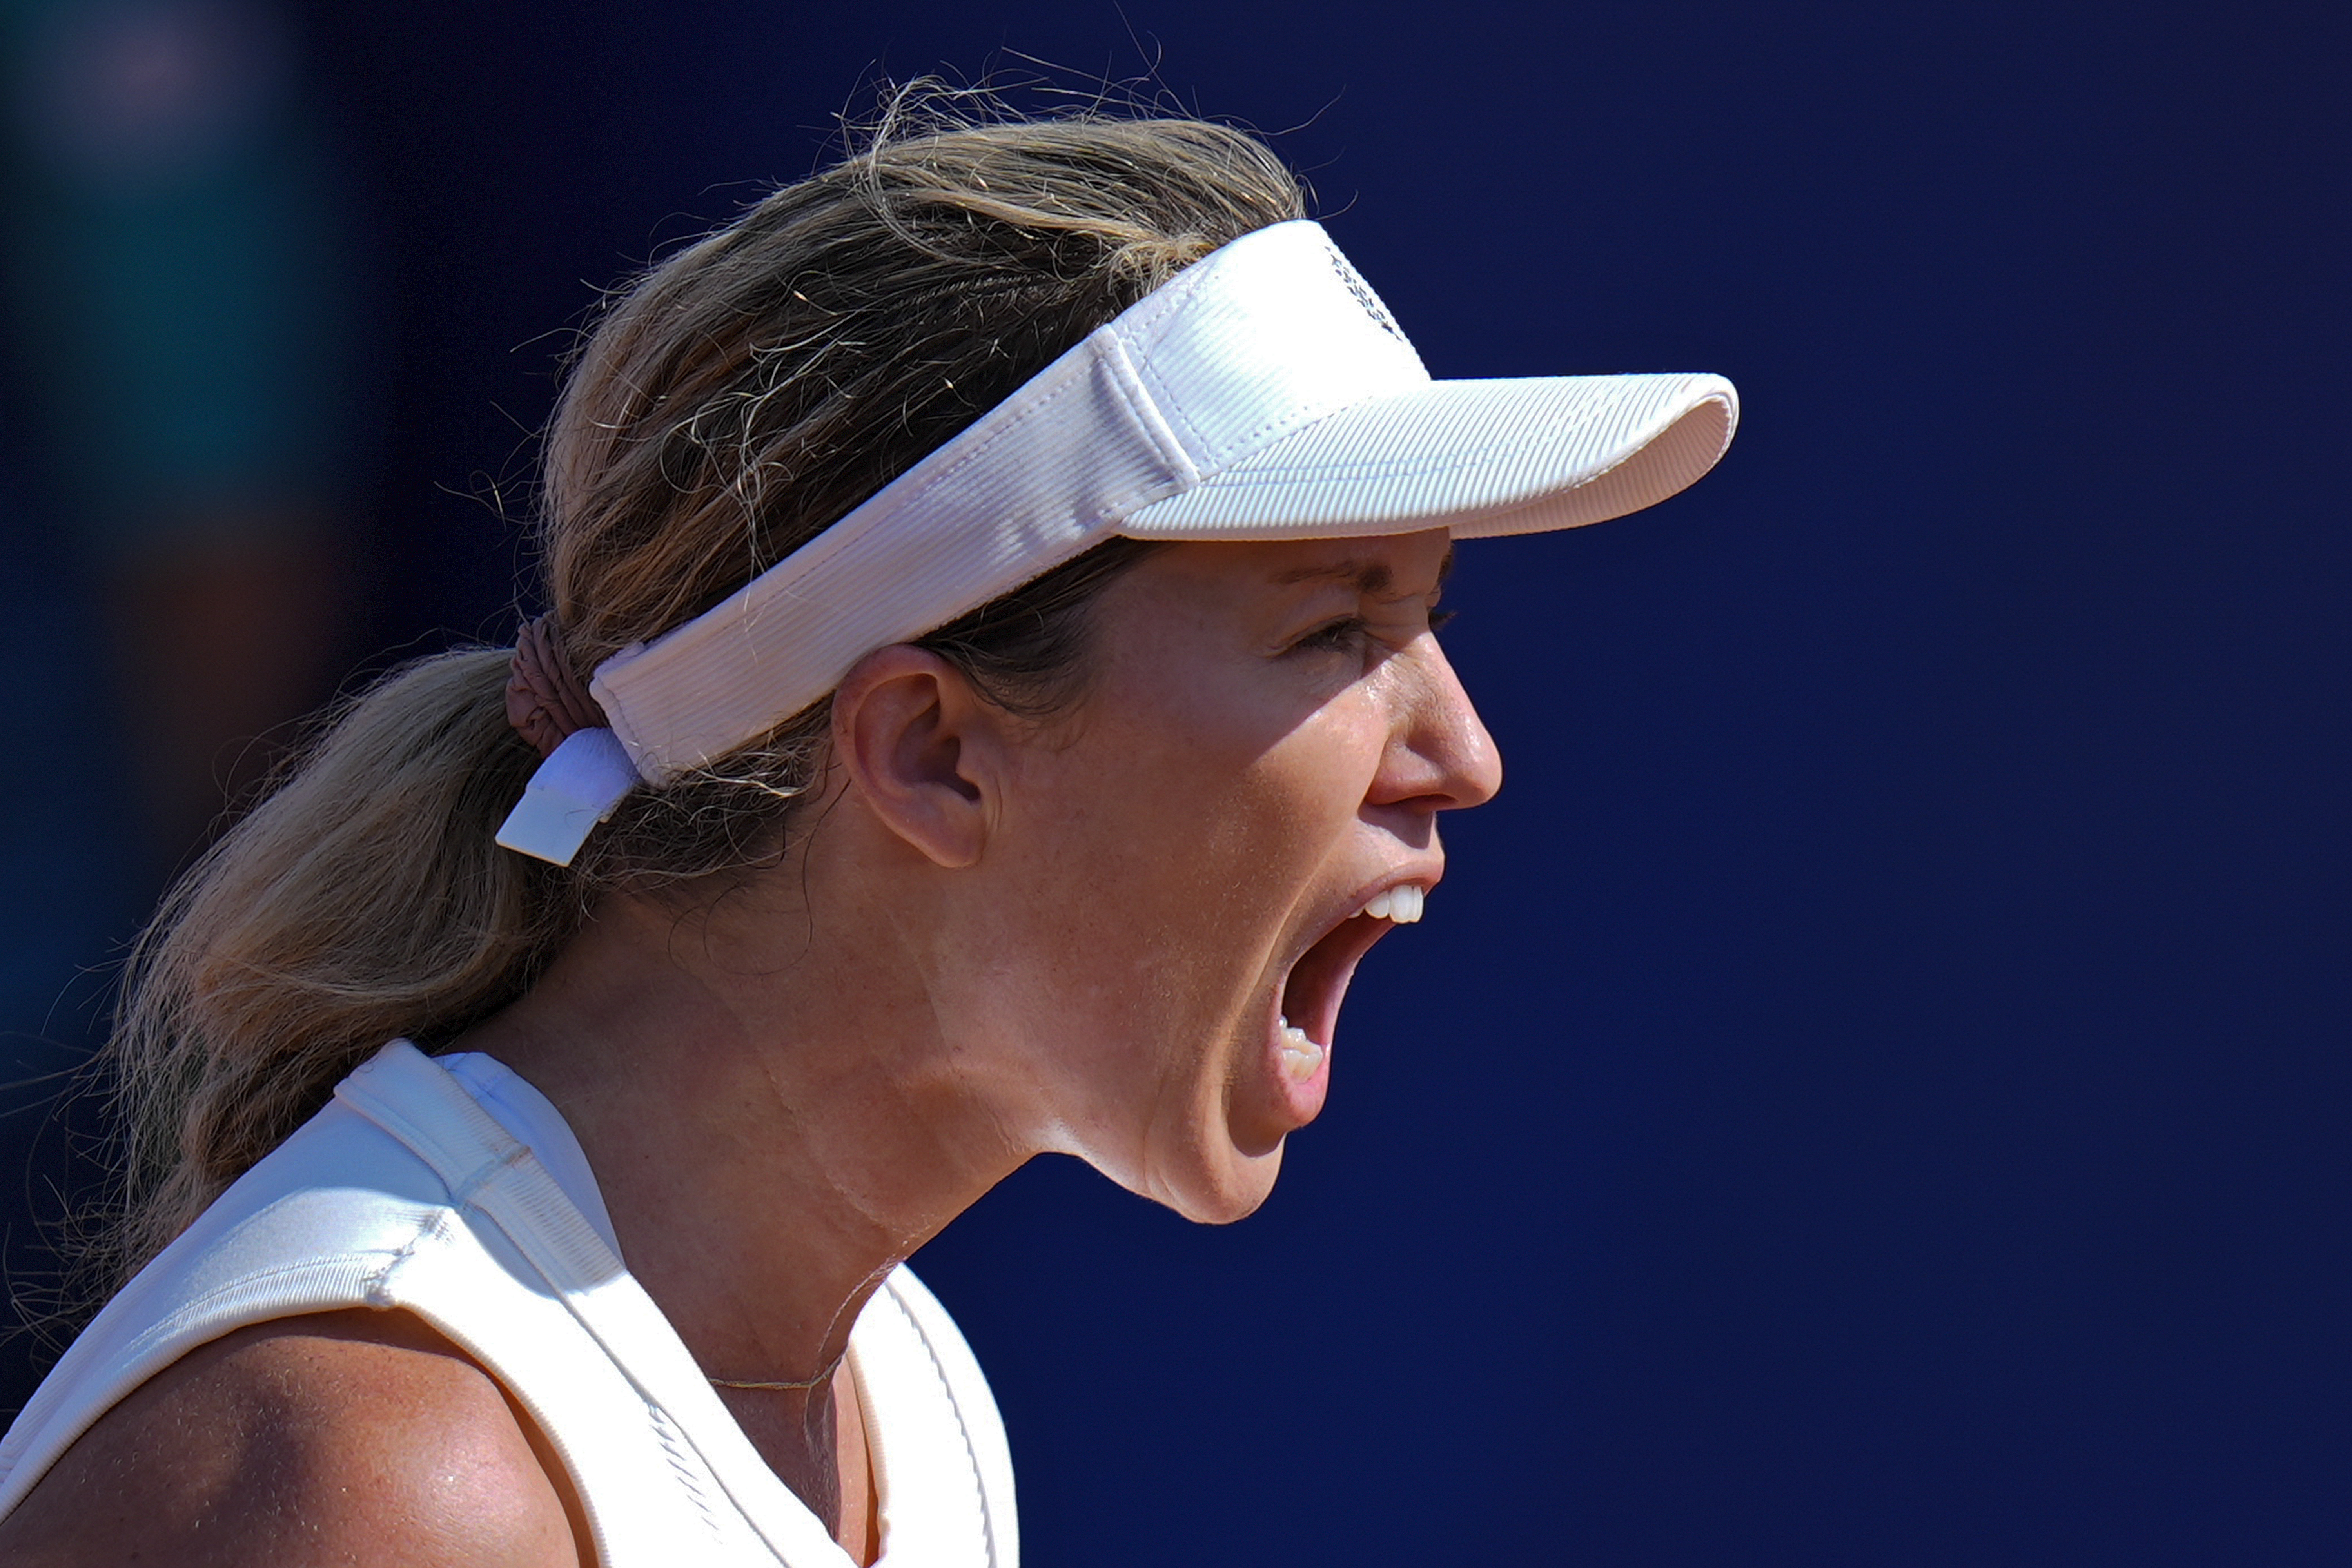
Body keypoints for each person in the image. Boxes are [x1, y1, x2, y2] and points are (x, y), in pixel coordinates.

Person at [0, 104, 1737, 1565]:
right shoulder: (395, 1488)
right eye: (1336, 633)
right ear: (928, 748)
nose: (1465, 752)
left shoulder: (900, 1389)